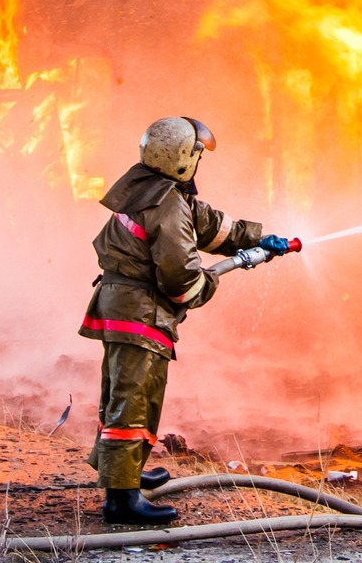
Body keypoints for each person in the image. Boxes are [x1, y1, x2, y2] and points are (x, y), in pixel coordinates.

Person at [79, 116, 297, 525]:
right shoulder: (164, 202)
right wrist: (211, 280)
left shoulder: (153, 188)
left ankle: (126, 475)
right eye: (197, 154)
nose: (199, 161)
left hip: (126, 305)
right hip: (138, 310)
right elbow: (180, 276)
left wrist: (257, 238)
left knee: (130, 396)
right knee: (133, 400)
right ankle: (121, 500)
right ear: (182, 159)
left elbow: (207, 225)